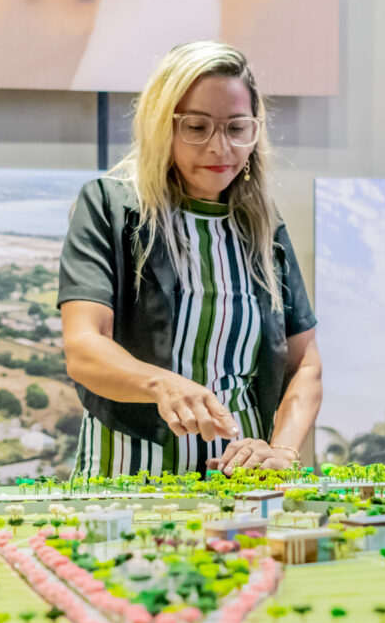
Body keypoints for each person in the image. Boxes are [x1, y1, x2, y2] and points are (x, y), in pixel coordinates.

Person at [59, 41, 321, 479]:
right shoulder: (111, 205)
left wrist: (283, 451)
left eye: (237, 128)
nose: (220, 148)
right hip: (125, 471)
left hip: (242, 479)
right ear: (162, 126)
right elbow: (84, 349)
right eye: (196, 127)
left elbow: (305, 365)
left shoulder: (262, 227)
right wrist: (162, 385)